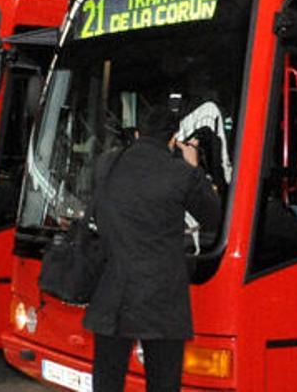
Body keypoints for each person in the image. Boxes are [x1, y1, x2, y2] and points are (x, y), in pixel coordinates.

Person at [84, 105, 221, 392]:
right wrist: (194, 166)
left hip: (112, 296)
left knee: (107, 382)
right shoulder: (181, 173)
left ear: (138, 133)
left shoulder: (106, 164)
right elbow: (213, 218)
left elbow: (101, 212)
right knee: (163, 382)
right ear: (173, 139)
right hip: (161, 300)